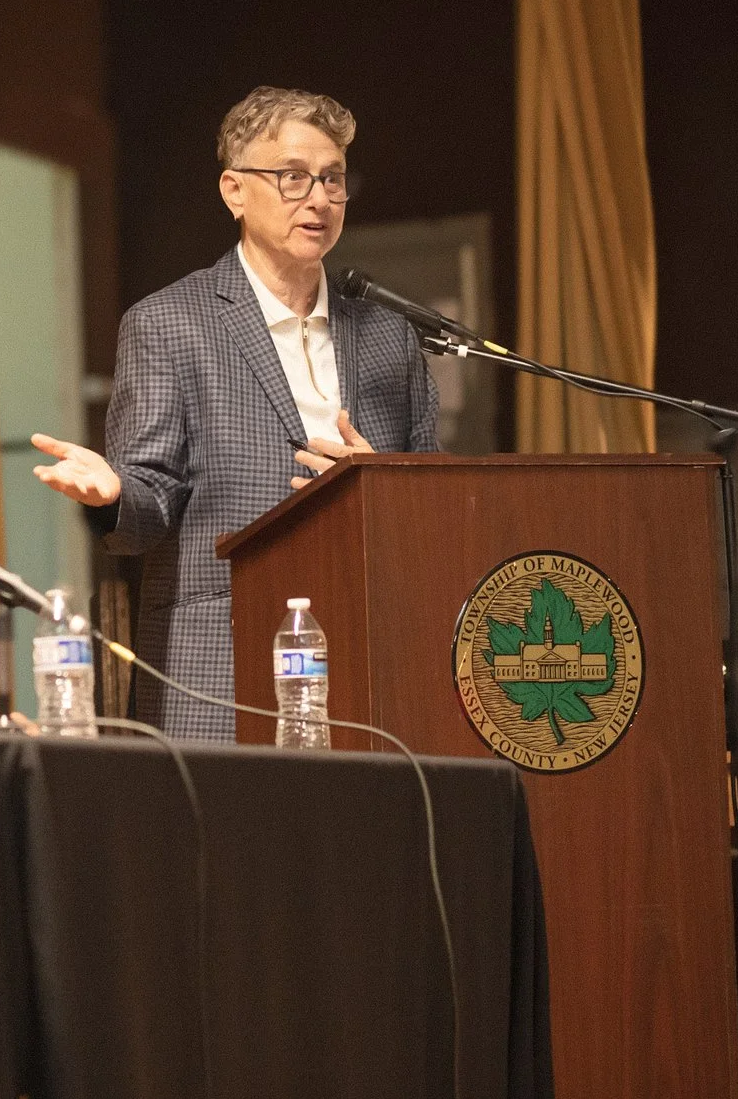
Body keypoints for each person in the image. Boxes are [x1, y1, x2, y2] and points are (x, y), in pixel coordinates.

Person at [30, 86, 439, 739]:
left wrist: (381, 486)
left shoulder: (391, 336)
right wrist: (113, 495)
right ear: (234, 191)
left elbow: (434, 516)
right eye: (293, 177)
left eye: (333, 179)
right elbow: (147, 503)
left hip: (373, 670)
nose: (319, 198)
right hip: (218, 673)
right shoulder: (170, 325)